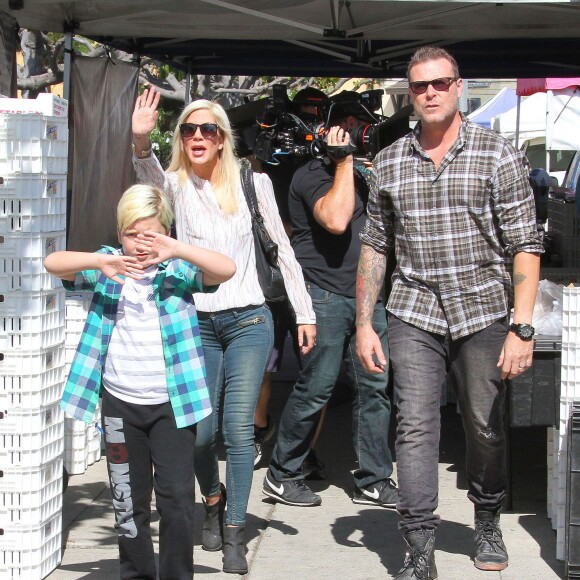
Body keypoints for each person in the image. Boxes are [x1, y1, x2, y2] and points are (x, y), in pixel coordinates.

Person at [356, 46, 543, 579]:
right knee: (414, 426)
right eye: (420, 86)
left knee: (483, 426)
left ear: (459, 86)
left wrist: (521, 327)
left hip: (483, 311)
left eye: (440, 83)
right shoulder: (390, 162)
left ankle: (487, 517)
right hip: (414, 311)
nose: (430, 93)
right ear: (409, 94)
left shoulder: (497, 154)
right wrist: (365, 322)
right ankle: (418, 546)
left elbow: (524, 244)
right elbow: (375, 246)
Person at [131, 87, 316, 574]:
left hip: (249, 319)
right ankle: (211, 499)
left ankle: (234, 530)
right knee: (198, 433)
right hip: (197, 320)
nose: (197, 136)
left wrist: (305, 312)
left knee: (237, 429)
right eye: (189, 129)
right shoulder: (173, 184)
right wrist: (139, 141)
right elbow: (147, 181)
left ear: (221, 139)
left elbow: (282, 248)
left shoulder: (253, 183)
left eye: (207, 129)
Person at [45, 184, 236, 580]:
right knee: (127, 504)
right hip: (119, 408)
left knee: (177, 502)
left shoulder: (177, 268)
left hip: (172, 407)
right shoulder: (109, 266)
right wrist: (100, 262)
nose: (141, 245)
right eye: (132, 234)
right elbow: (53, 263)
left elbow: (225, 269)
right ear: (120, 234)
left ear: (165, 232)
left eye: (150, 234)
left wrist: (177, 248)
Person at [263, 96, 398, 509]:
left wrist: (361, 168)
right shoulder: (311, 174)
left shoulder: (364, 173)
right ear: (327, 130)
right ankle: (282, 473)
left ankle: (374, 478)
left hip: (366, 295)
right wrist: (342, 161)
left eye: (360, 125)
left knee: (374, 386)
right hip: (322, 292)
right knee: (317, 386)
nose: (355, 131)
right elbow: (336, 220)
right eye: (347, 124)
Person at [253, 87, 329, 478]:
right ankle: (259, 429)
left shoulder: (327, 160)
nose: (309, 123)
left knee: (315, 370)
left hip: (312, 275)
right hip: (269, 276)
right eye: (304, 114)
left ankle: (303, 451)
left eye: (316, 115)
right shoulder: (263, 161)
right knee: (262, 364)